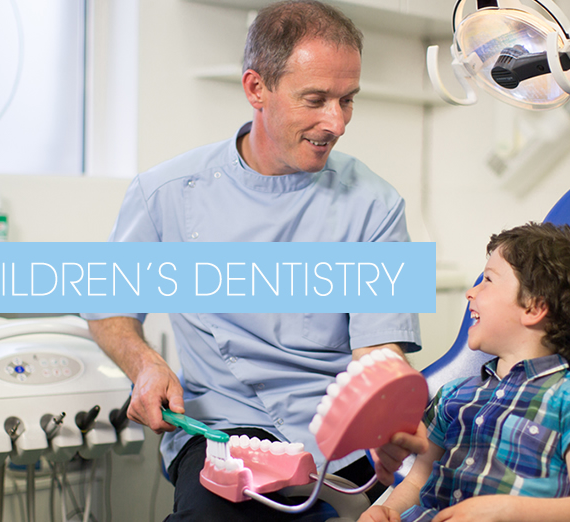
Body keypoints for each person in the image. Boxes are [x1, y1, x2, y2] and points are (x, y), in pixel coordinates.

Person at [81, 1, 427, 520]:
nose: (336, 122)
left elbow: (379, 354)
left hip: (341, 435)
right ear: (256, 89)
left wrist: (382, 419)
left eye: (347, 100)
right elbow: (108, 310)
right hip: (223, 428)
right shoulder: (165, 193)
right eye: (315, 99)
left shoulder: (376, 204)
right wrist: (146, 366)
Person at [359, 222, 570, 522]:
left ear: (534, 308)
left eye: (488, 281)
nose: (471, 292)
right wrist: (387, 511)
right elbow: (417, 480)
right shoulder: (454, 395)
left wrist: (505, 511)